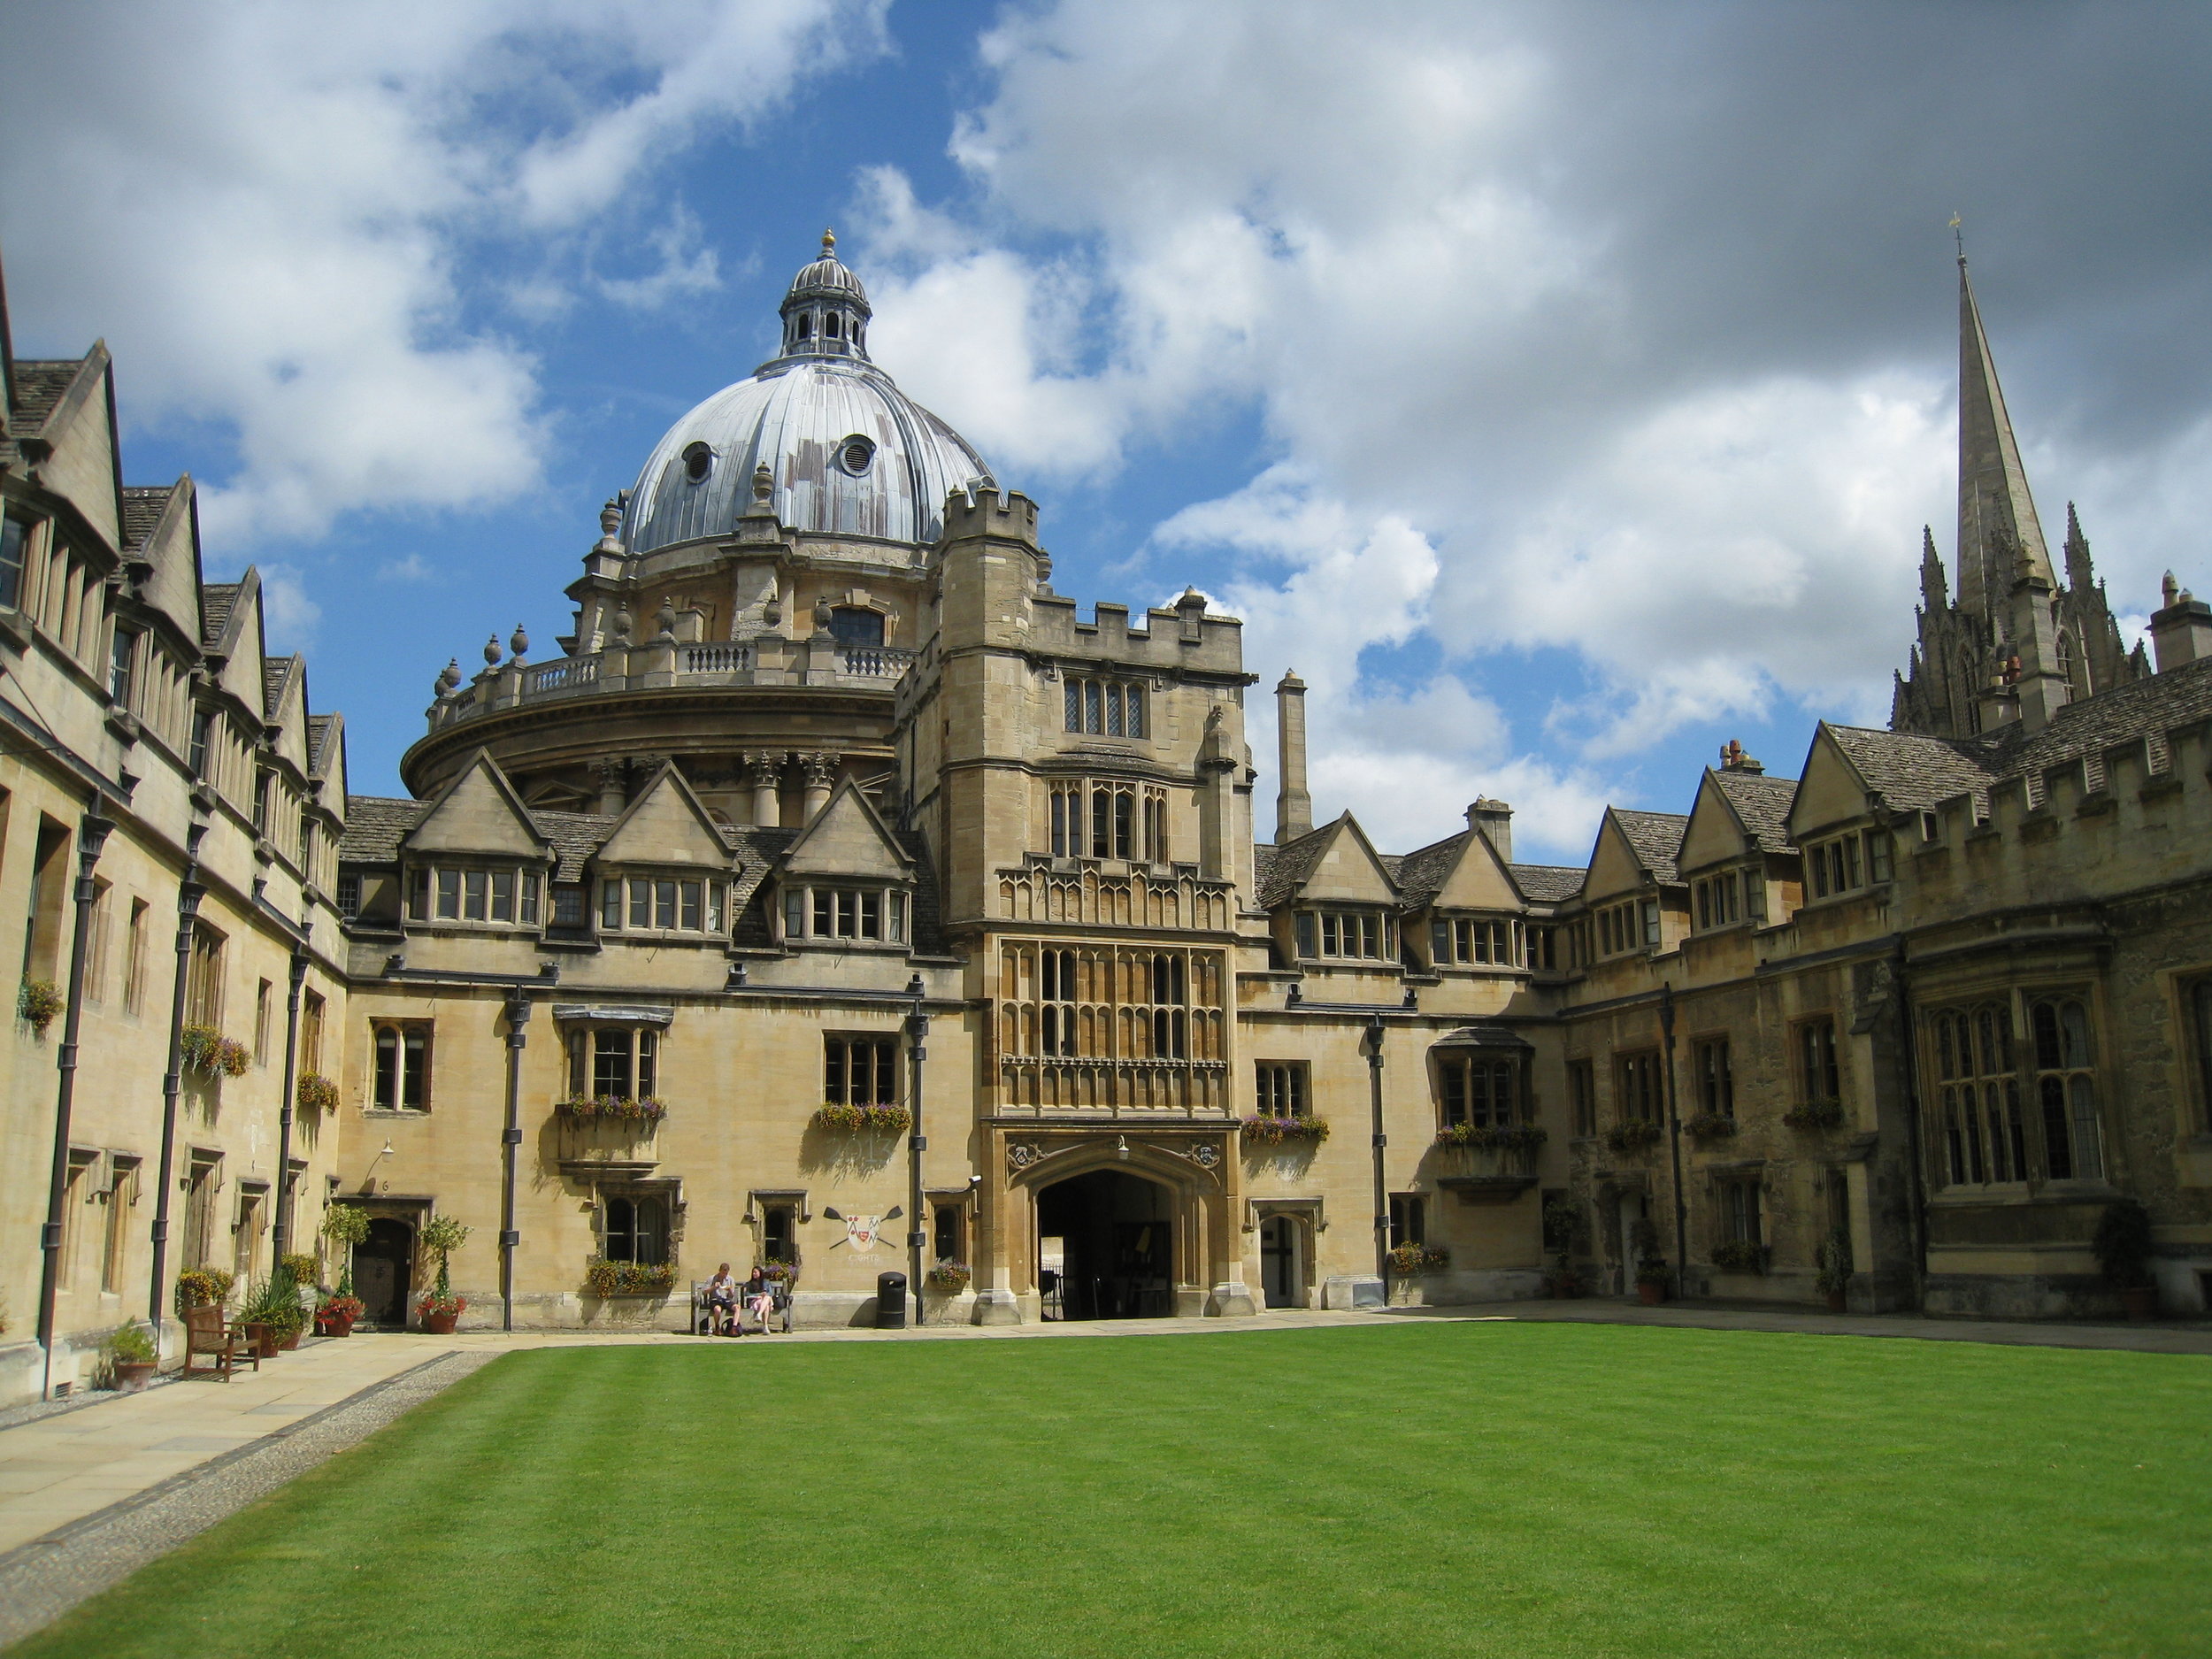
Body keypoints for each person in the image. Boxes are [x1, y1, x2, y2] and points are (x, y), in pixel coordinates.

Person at [705, 1263, 740, 1336]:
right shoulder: (712, 1278)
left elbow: (731, 1296)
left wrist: (729, 1290)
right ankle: (717, 1327)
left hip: (726, 1300)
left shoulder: (730, 1279)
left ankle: (734, 1328)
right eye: (723, 1273)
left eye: (726, 1273)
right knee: (717, 1309)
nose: (724, 1275)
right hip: (715, 1300)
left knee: (737, 1307)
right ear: (719, 1271)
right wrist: (713, 1287)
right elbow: (704, 1292)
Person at [744, 1266, 775, 1335]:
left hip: (763, 1301)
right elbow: (747, 1294)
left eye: (755, 1272)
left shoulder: (766, 1282)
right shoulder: (750, 1283)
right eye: (753, 1272)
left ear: (760, 1273)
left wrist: (764, 1294)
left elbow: (770, 1293)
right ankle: (765, 1327)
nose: (754, 1274)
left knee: (767, 1300)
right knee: (767, 1303)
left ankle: (759, 1315)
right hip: (755, 1301)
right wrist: (759, 1295)